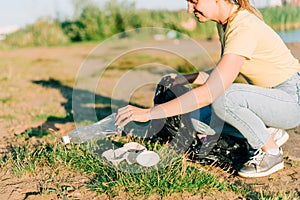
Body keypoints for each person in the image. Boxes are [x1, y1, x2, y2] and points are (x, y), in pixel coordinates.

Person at [115, 0, 300, 178]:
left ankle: (272, 153)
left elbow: (212, 91)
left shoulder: (243, 28)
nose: (189, 9)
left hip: (291, 100)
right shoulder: (226, 23)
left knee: (224, 98)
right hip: (268, 99)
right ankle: (267, 132)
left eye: (194, 1)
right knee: (196, 117)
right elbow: (224, 72)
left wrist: (149, 113)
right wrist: (185, 78)